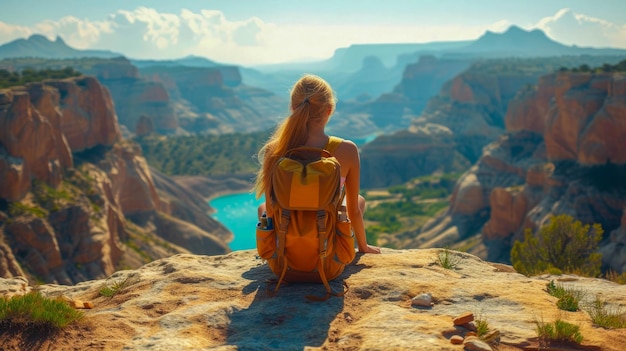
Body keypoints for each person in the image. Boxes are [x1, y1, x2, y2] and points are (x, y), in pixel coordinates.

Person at [254, 74, 381, 254]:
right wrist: (363, 247)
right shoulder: (347, 150)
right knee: (358, 200)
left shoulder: (275, 150)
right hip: (328, 257)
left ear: (293, 108)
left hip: (285, 260)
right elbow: (353, 211)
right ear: (329, 110)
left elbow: (272, 209)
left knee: (263, 208)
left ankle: (278, 248)